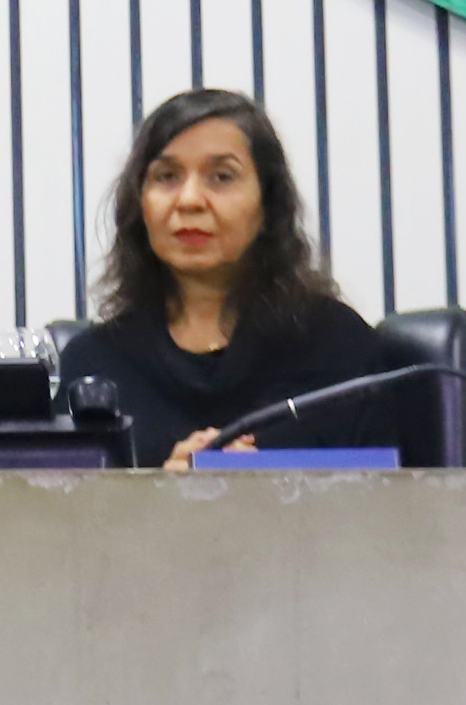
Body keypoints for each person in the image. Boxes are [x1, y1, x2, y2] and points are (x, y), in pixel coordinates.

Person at [74, 87, 404, 467]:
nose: (190, 200)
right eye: (167, 176)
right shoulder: (93, 367)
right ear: (139, 204)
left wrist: (262, 486)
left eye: (221, 177)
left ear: (268, 203)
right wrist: (160, 492)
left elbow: (388, 499)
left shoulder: (339, 349)